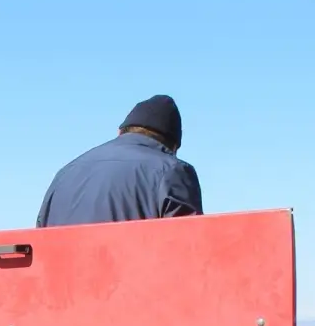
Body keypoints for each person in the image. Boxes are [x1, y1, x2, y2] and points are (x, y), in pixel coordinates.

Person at [36, 95, 203, 228]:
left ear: (120, 131)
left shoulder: (64, 174)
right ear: (172, 146)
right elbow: (188, 249)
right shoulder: (173, 170)